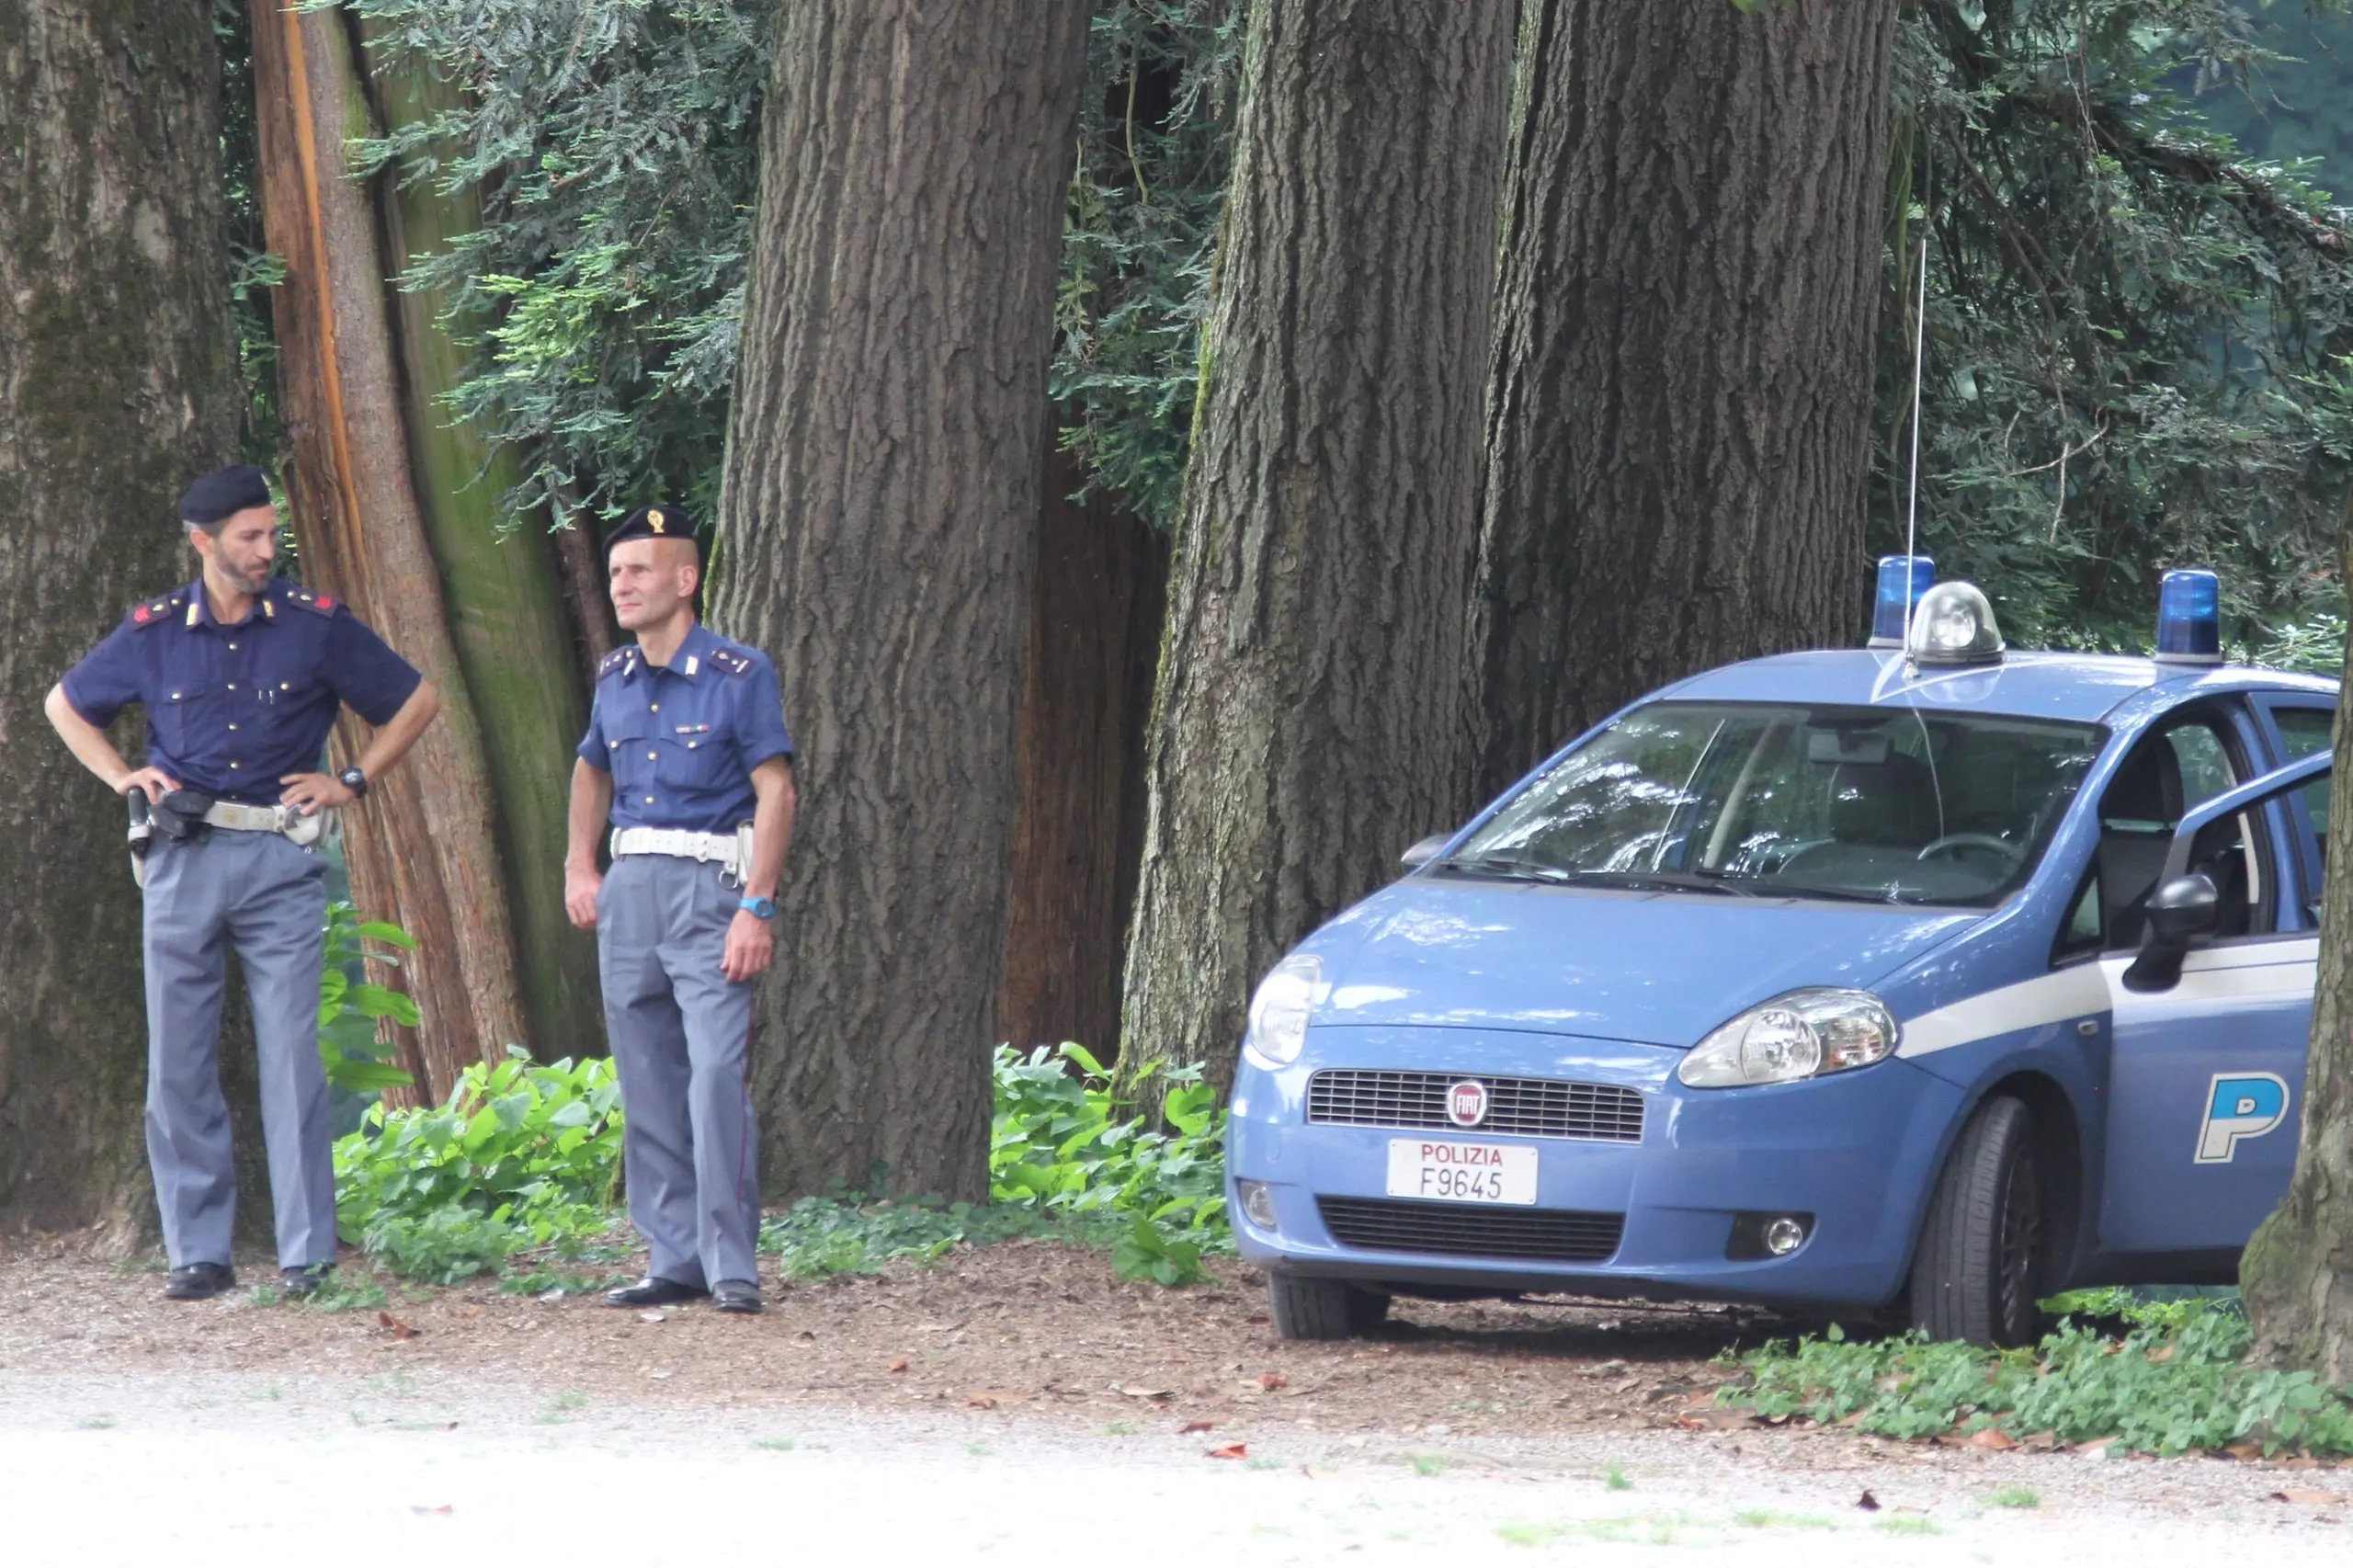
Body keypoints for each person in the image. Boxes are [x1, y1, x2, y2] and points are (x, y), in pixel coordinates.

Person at [42, 464, 440, 1301]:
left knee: (292, 1056)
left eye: (271, 534)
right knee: (178, 1060)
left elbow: (416, 699)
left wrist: (354, 781)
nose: (267, 550)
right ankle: (198, 1251)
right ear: (203, 541)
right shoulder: (152, 632)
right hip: (182, 859)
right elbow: (65, 706)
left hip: (280, 860)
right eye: (250, 537)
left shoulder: (316, 626)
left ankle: (306, 1254)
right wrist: (124, 778)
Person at [565, 506, 795, 1315]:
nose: (621, 585)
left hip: (711, 891)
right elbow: (591, 770)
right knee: (648, 1080)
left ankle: (732, 1261)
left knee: (714, 1078)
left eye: (638, 571)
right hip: (629, 891)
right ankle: (674, 1258)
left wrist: (756, 908)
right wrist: (578, 866)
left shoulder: (739, 673)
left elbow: (777, 790)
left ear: (685, 580)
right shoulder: (614, 678)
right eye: (616, 572)